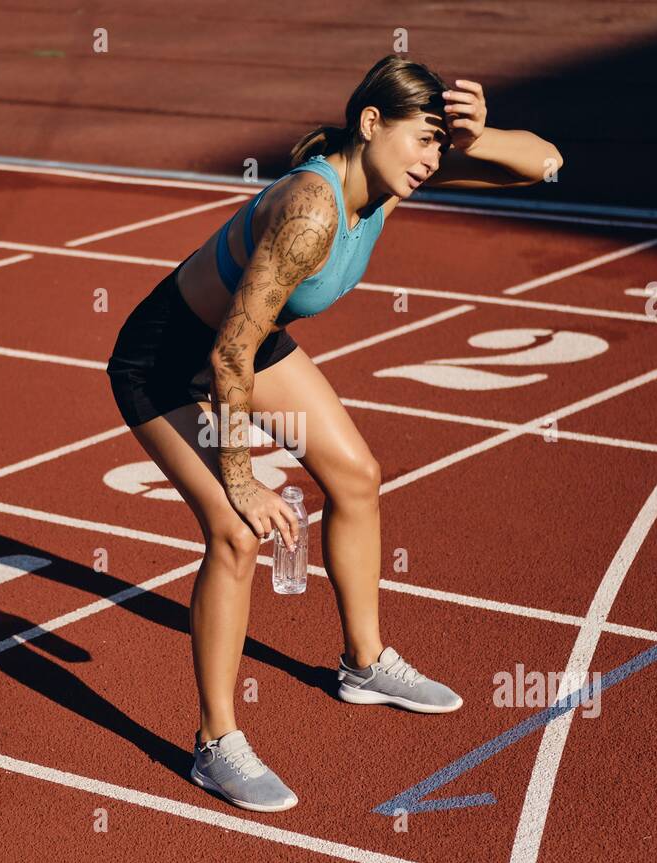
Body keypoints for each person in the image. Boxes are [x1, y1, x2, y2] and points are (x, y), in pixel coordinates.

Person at [105, 53, 562, 812]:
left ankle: (365, 662)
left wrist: (476, 141)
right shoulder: (312, 211)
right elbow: (226, 355)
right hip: (166, 362)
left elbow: (545, 164)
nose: (429, 161)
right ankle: (215, 744)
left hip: (248, 340)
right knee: (235, 534)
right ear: (370, 123)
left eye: (438, 148)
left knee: (357, 478)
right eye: (422, 140)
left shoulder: (388, 182)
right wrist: (244, 480)